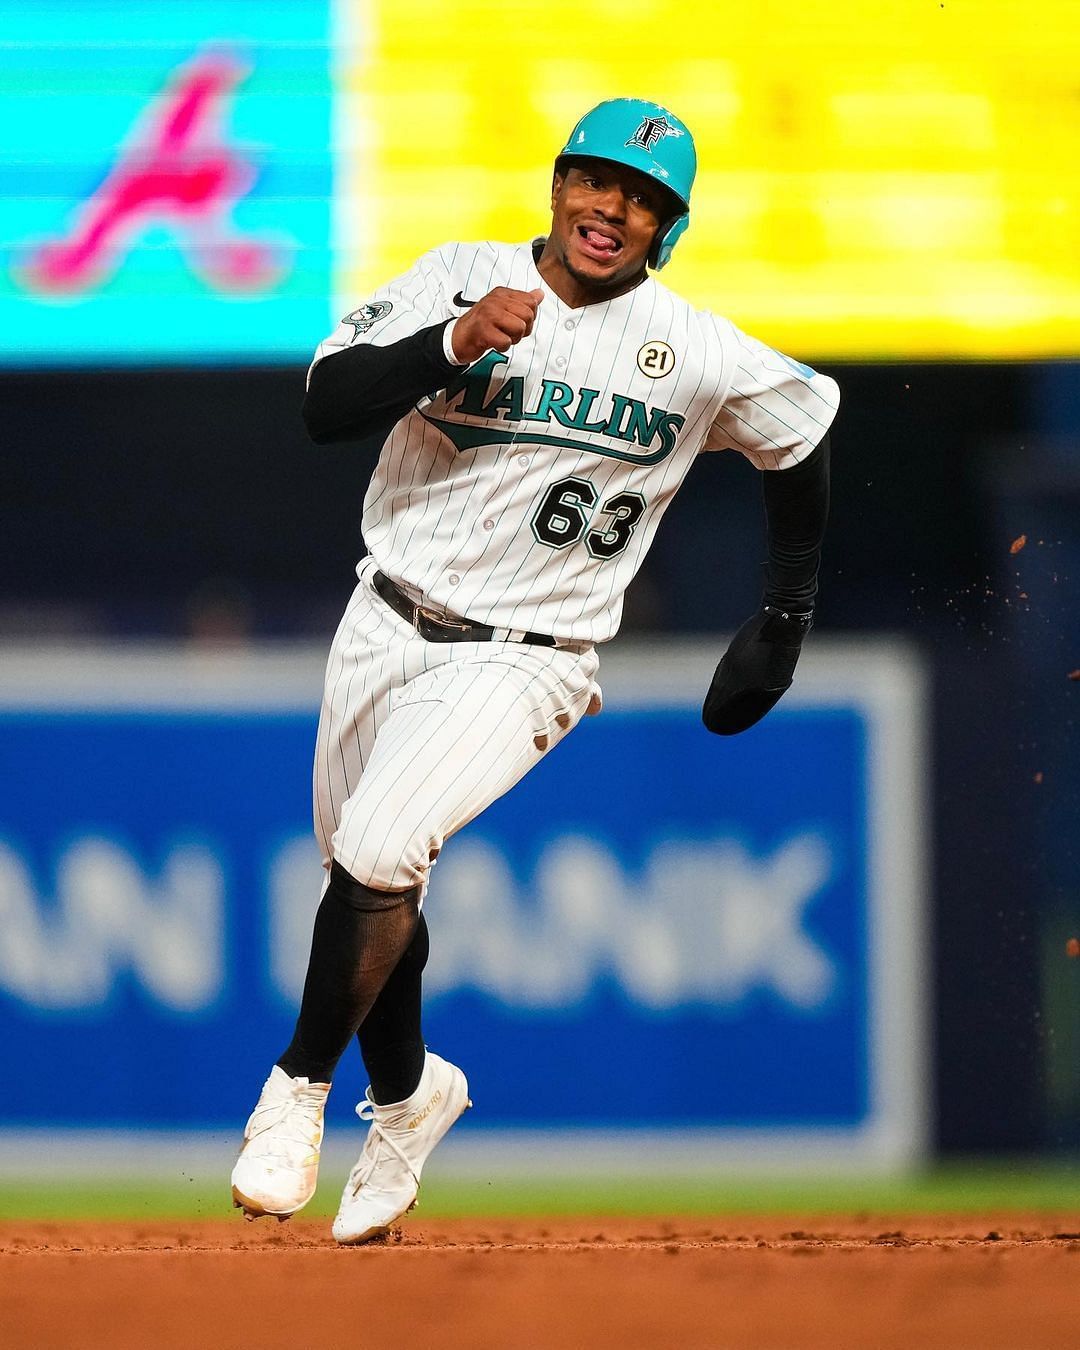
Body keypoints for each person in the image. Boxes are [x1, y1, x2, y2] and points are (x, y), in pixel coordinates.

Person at [231, 97, 838, 1243]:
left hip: (531, 657)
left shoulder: (694, 348)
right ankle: (411, 1101)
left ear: (669, 226)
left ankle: (295, 1092)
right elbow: (325, 406)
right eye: (598, 181)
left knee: (376, 848)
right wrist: (451, 342)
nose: (614, 209)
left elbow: (803, 431)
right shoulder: (455, 275)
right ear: (559, 181)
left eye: (646, 200)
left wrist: (785, 617)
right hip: (383, 621)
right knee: (368, 886)